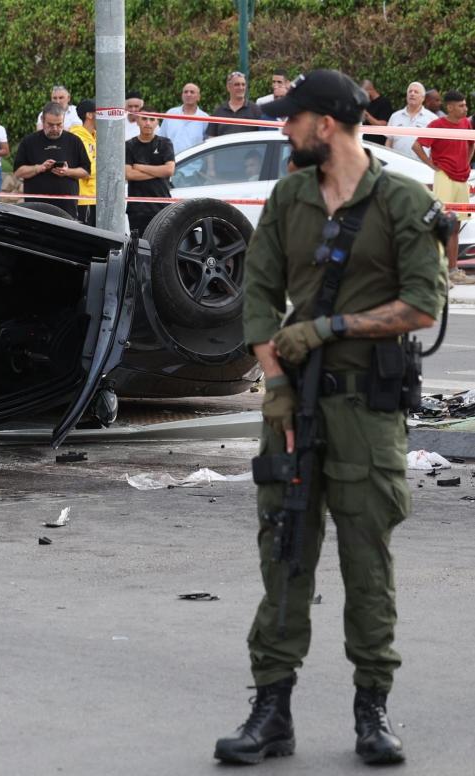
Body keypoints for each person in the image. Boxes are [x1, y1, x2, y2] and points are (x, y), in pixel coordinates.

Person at [215, 69, 446, 766]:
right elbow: (256, 295)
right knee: (283, 550)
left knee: (365, 559)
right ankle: (270, 710)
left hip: (367, 411)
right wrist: (277, 382)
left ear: (326, 123)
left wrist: (326, 328)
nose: (283, 127)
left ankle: (371, 708)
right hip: (294, 401)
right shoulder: (287, 198)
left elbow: (420, 306)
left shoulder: (403, 202)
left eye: (291, 117)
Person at [412, 90, 475, 286]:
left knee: (456, 226)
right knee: (441, 225)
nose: (465, 108)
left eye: (465, 105)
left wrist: (465, 162)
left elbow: (472, 143)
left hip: (461, 178)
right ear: (450, 107)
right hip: (445, 177)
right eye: (461, 105)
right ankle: (436, 270)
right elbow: (417, 145)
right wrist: (432, 165)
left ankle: (452, 270)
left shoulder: (466, 124)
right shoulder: (437, 124)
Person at [12, 102, 90, 216]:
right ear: (43, 121)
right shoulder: (29, 142)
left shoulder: (74, 141)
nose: (55, 128)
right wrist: (39, 168)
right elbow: (18, 172)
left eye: (59, 124)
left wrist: (67, 172)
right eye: (50, 124)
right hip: (35, 207)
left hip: (67, 207)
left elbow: (86, 172)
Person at [124, 107, 175, 235]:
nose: (148, 123)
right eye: (144, 119)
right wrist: (158, 171)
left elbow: (169, 170)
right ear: (137, 121)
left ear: (157, 122)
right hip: (137, 209)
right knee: (139, 247)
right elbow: (129, 174)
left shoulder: (165, 143)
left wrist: (140, 167)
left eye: (152, 119)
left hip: (161, 205)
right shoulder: (129, 145)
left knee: (161, 246)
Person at [387, 82, 437, 158]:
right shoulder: (395, 116)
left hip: (421, 165)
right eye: (410, 91)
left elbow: (436, 146)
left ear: (423, 98)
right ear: (407, 96)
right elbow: (389, 141)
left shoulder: (432, 118)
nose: (412, 94)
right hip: (397, 164)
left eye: (416, 92)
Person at [207, 70, 263, 138]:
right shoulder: (218, 112)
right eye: (237, 84)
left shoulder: (255, 110)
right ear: (228, 87)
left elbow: (262, 137)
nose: (241, 88)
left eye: (243, 84)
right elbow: (211, 138)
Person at [69, 99, 98, 225]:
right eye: (100, 113)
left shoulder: (96, 136)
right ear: (89, 115)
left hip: (97, 196)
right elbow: (88, 168)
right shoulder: (78, 138)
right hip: (85, 198)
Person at [159, 83, 209, 154]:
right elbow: (161, 138)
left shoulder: (205, 118)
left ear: (198, 97)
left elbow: (207, 144)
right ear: (182, 96)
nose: (188, 94)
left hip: (194, 163)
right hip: (170, 162)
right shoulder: (171, 114)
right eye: (185, 92)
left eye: (192, 92)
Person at [361, 79, 393, 145]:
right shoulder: (367, 103)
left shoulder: (384, 103)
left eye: (363, 93)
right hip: (366, 142)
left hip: (379, 144)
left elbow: (383, 125)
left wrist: (366, 115)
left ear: (369, 90)